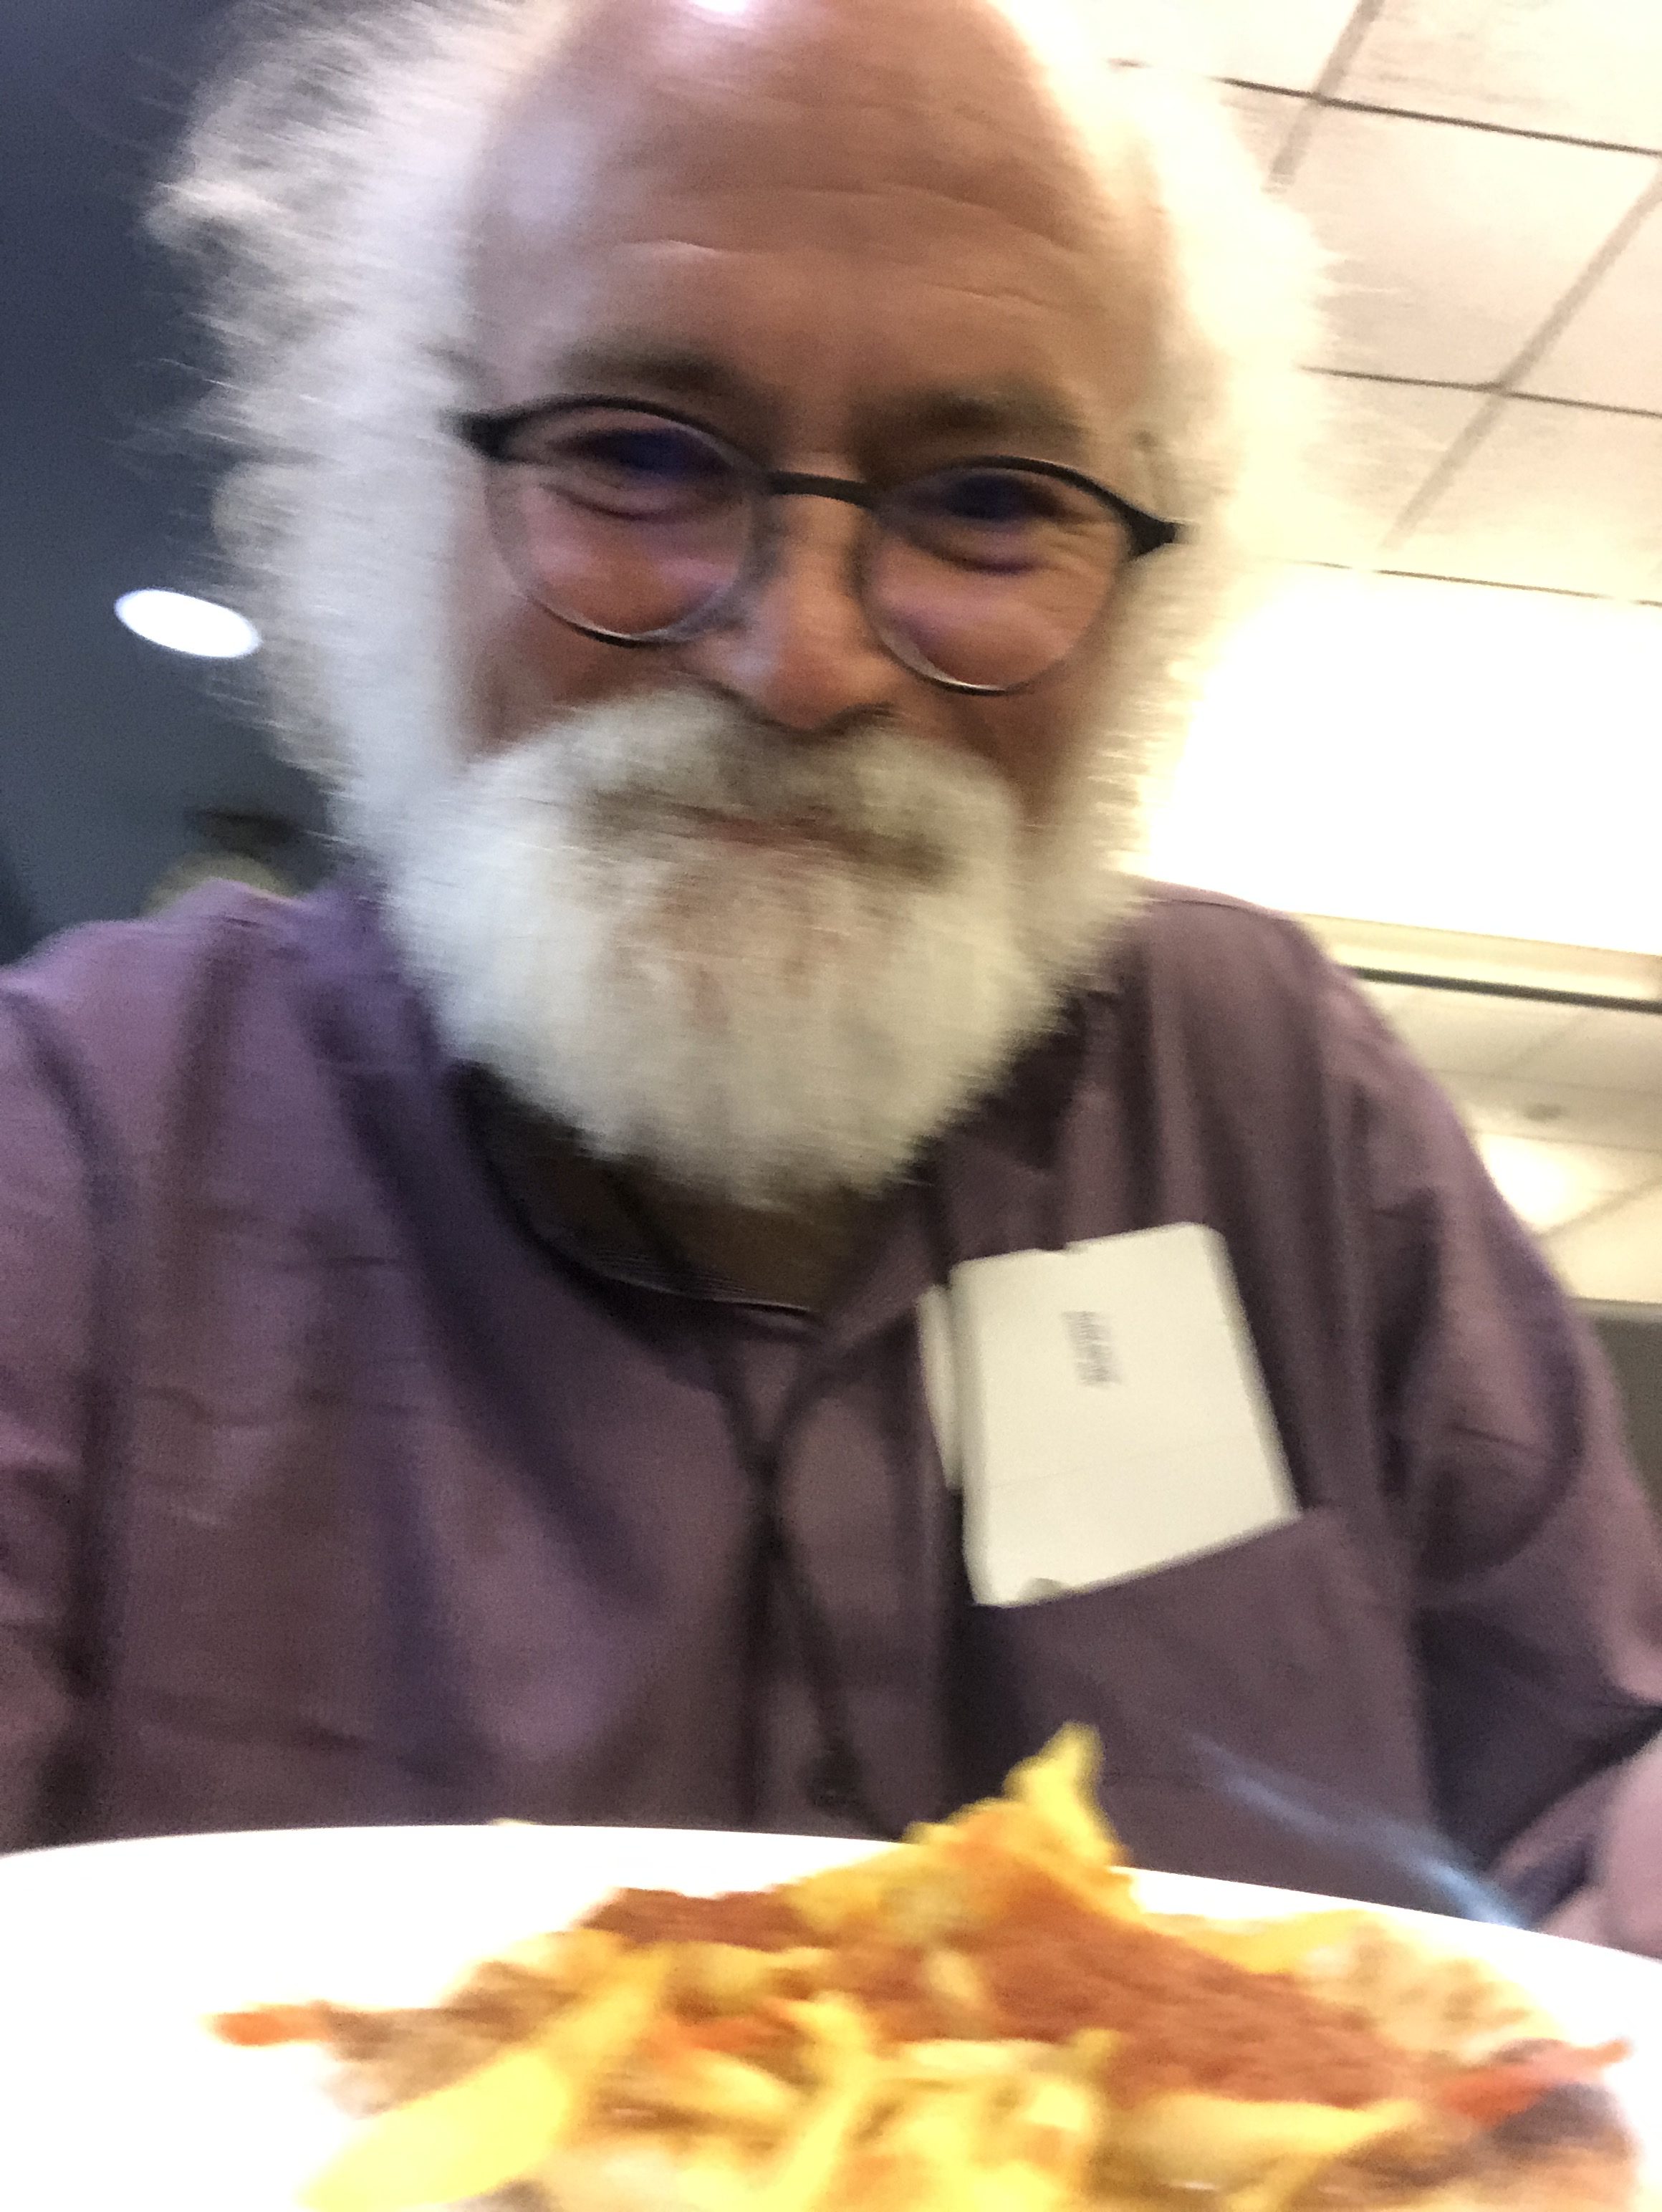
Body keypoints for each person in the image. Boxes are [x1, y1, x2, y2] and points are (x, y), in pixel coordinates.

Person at [1, 0, 1659, 1956]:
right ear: (407, 496)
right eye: (637, 457)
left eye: (988, 500)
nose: (802, 665)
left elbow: (1587, 1812)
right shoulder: (81, 1145)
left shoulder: (1285, 1093)